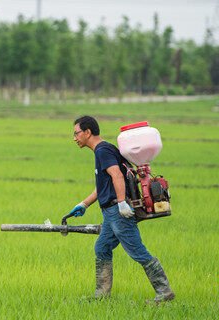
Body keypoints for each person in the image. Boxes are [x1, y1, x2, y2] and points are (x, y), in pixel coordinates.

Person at [68, 115, 175, 304]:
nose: (74, 138)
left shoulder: (102, 151)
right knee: (102, 248)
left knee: (137, 250)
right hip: (111, 213)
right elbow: (104, 185)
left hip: (117, 212)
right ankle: (101, 295)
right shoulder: (105, 149)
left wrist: (121, 203)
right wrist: (84, 204)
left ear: (87, 132)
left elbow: (117, 176)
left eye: (76, 133)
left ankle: (164, 291)